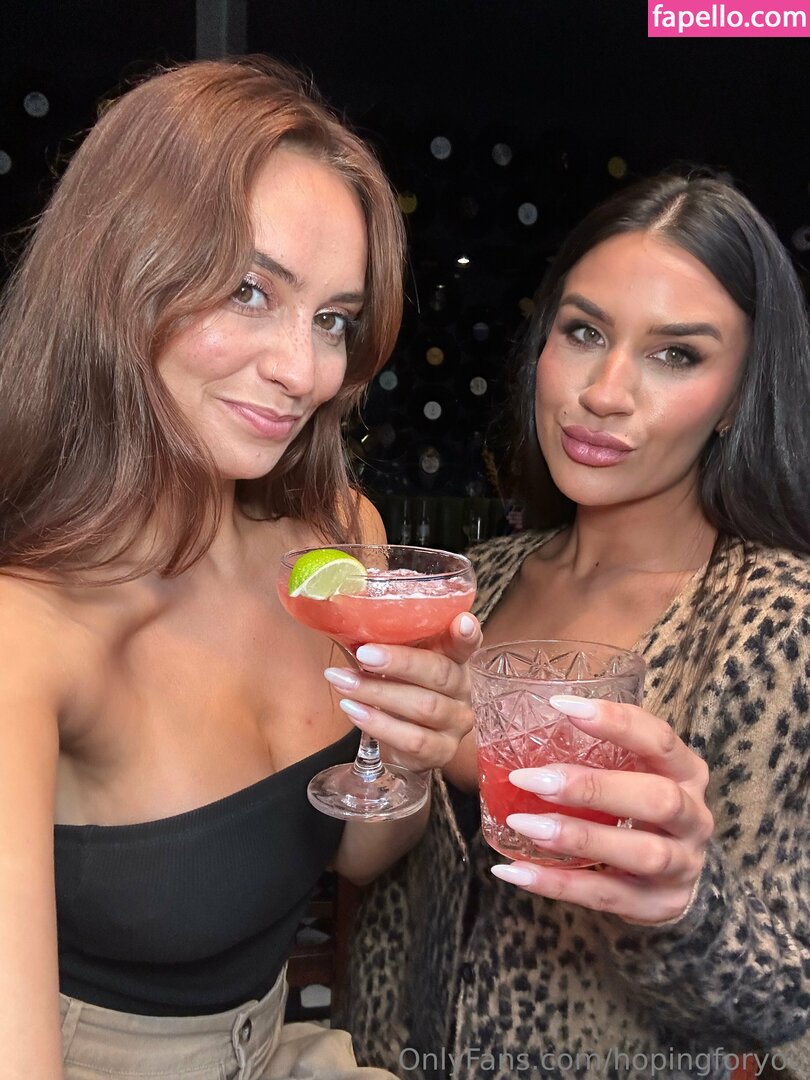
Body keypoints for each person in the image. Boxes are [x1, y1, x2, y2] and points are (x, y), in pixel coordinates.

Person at [0, 57, 480, 1080]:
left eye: (333, 320)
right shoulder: (24, 636)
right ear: (116, 273)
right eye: (249, 290)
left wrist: (409, 750)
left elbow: (358, 853)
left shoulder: (338, 542)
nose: (305, 372)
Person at [338, 173, 810, 1080]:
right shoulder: (476, 584)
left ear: (737, 397)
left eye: (677, 355)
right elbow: (371, 874)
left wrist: (686, 904)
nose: (604, 392)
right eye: (585, 333)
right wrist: (395, 752)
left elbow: (788, 1006)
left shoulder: (780, 623)